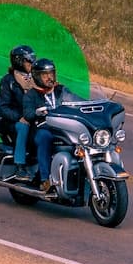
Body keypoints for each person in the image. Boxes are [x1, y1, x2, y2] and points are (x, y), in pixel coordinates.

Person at [26, 58, 77, 194]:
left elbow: (76, 100)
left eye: (51, 74)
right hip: (41, 128)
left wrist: (90, 105)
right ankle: (45, 179)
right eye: (45, 75)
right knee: (45, 138)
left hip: (61, 127)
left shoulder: (60, 90)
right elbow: (27, 113)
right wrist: (36, 112)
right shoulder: (32, 94)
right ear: (37, 77)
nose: (49, 78)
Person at [0, 44, 38, 178]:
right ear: (19, 61)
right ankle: (20, 166)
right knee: (23, 127)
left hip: (34, 116)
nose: (32, 62)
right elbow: (4, 107)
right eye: (28, 60)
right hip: (14, 120)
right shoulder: (8, 81)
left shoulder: (36, 78)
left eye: (33, 59)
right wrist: (20, 117)